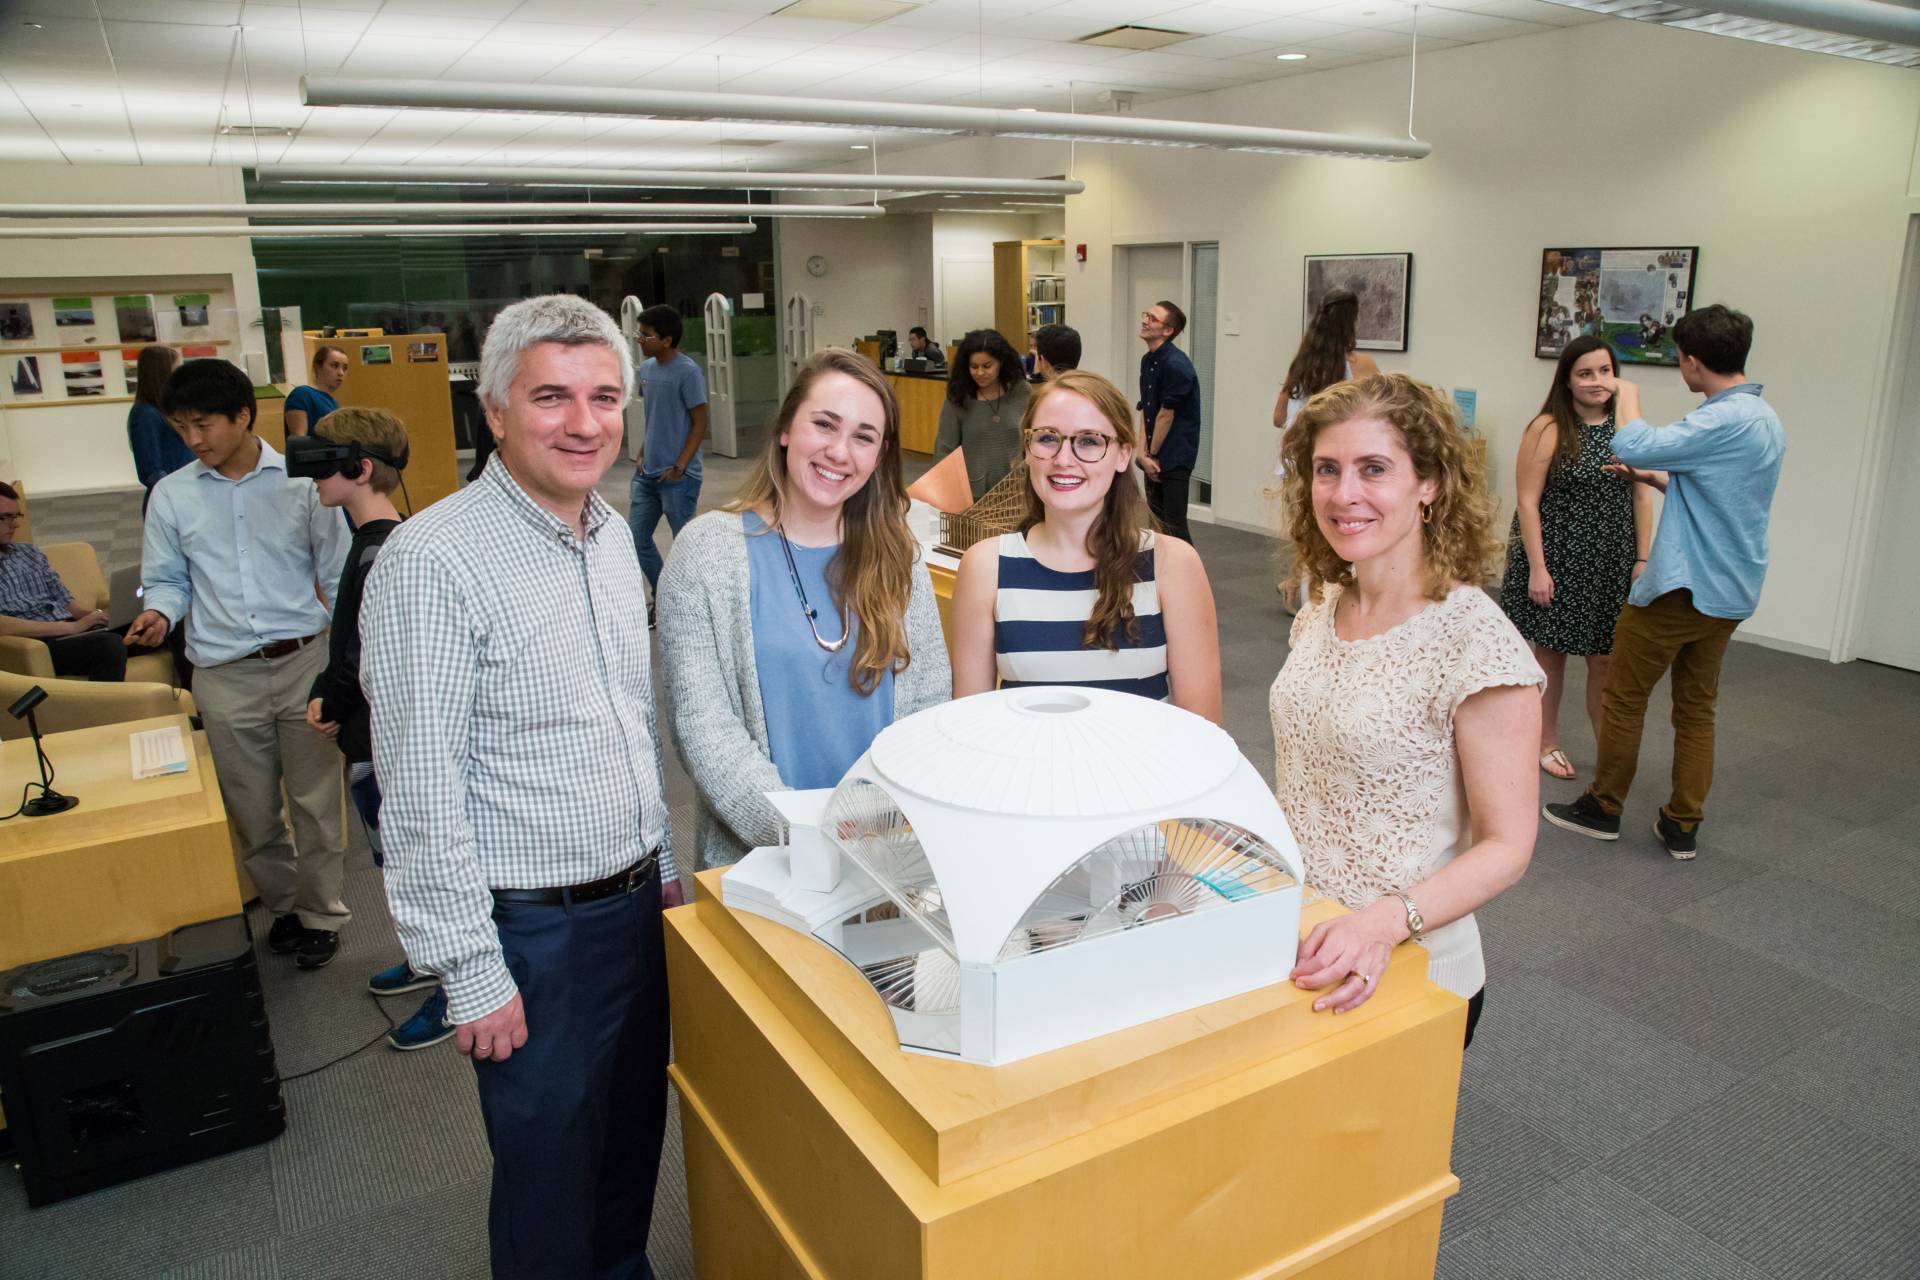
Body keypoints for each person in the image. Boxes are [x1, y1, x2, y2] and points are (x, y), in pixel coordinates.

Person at [360, 294, 680, 1280]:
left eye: (604, 396)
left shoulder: (612, 533)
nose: (585, 422)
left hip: (635, 906)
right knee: (548, 1178)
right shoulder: (434, 559)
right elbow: (418, 785)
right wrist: (469, 963)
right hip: (535, 933)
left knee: (631, 1151)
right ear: (493, 409)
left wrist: (663, 863)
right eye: (551, 396)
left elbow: (629, 717)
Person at [1269, 373, 1542, 1048]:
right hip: (1301, 941)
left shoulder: (1473, 640)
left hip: (1408, 963)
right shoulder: (1323, 607)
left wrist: (1381, 923)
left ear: (1429, 485)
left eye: (1374, 469)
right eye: (1327, 470)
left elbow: (1508, 847)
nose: (1343, 493)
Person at [658, 350, 951, 871]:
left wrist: (882, 825)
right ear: (786, 430)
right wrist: (809, 835)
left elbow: (927, 701)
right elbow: (704, 728)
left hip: (889, 859)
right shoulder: (706, 553)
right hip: (760, 863)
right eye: (824, 425)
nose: (840, 451)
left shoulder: (898, 556)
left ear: (880, 455)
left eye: (863, 437)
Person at [127, 358, 351, 968]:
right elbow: (167, 581)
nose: (193, 440)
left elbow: (337, 574)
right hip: (223, 674)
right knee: (253, 810)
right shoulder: (171, 496)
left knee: (314, 803)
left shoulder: (303, 484)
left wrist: (351, 664)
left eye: (203, 424)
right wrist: (162, 615)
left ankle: (321, 915)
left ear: (245, 416)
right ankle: (283, 909)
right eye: (181, 428)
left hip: (305, 660)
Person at [1545, 304, 1784, 860]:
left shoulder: (1721, 419)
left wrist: (1627, 396)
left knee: (1623, 697)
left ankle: (1602, 808)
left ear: (1693, 362)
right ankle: (1682, 824)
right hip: (1731, 588)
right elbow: (1717, 495)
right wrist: (1652, 478)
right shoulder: (1763, 417)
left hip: (1684, 587)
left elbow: (1629, 441)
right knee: (1697, 706)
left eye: (1679, 359)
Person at [293, 408, 446, 1048]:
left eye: (323, 465)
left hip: (391, 746)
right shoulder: (373, 542)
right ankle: (427, 956)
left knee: (417, 865)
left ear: (357, 469)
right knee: (393, 861)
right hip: (367, 739)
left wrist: (331, 698)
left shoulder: (388, 551)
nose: (312, 479)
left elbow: (371, 654)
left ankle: (453, 986)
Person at [951, 369, 1220, 720]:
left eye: (1089, 441)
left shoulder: (1172, 563)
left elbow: (1202, 728)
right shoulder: (987, 566)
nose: (1064, 459)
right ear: (1028, 451)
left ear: (1123, 455)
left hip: (1144, 773)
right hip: (1029, 773)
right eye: (1048, 438)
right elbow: (972, 722)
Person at [1498, 337, 1652, 780]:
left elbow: (1642, 495)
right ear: (1567, 379)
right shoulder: (1548, 427)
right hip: (1557, 558)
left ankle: (1609, 750)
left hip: (1611, 560)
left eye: (1605, 371)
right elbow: (1527, 502)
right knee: (1551, 656)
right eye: (1585, 373)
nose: (1597, 382)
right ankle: (1545, 742)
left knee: (1606, 659)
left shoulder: (1628, 427)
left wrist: (1642, 558)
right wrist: (1539, 568)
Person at [1271, 289, 1382, 611]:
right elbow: (1376, 417)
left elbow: (1279, 418)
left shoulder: (1302, 365)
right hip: (1334, 464)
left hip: (1294, 462)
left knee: (1306, 527)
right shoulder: (1361, 365)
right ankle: (1312, 594)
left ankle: (1295, 584)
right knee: (1333, 531)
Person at [629, 303, 709, 621]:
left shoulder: (688, 372)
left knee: (685, 547)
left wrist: (680, 466)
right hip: (647, 474)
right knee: (636, 538)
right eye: (640, 332)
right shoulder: (646, 371)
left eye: (646, 335)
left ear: (666, 340)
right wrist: (644, 450)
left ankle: (693, 608)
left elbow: (699, 422)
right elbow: (657, 418)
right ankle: (664, 598)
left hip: (679, 477)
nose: (640, 339)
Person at [0, 480, 124, 681]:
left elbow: (65, 600)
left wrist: (93, 616)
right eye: (5, 517)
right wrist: (73, 628)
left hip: (70, 628)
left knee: (158, 623)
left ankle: (189, 707)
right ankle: (105, 711)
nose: (14, 524)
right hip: (38, 643)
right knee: (108, 646)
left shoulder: (28, 552)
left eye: (15, 516)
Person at [933, 328, 1031, 503]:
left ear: (1001, 362)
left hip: (1017, 493)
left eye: (987, 366)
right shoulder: (958, 397)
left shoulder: (1021, 392)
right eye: (973, 366)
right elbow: (944, 449)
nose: (979, 372)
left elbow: (1033, 438)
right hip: (972, 496)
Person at [1136, 300, 1202, 543]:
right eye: (1146, 315)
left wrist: (1151, 454)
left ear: (1167, 330)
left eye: (1152, 318)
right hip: (1153, 455)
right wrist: (1142, 453)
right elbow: (1146, 409)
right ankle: (1161, 576)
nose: (1145, 321)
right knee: (1156, 524)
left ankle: (1191, 577)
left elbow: (1166, 415)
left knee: (1174, 527)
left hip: (1174, 455)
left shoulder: (1177, 365)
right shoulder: (1147, 360)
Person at [126, 345, 193, 500]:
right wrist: (174, 495)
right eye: (176, 369)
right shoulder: (145, 414)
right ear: (162, 373)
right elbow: (151, 470)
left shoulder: (168, 408)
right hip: (171, 498)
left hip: (186, 492)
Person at [284, 345, 349, 437]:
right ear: (318, 367)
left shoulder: (334, 403)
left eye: (345, 368)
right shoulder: (302, 394)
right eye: (334, 366)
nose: (341, 373)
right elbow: (299, 441)